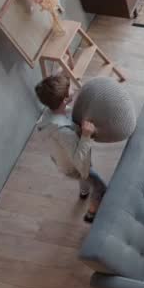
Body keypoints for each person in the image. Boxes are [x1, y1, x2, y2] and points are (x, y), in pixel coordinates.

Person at [35, 75, 106, 223]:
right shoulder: (64, 132)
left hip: (63, 161)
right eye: (70, 88)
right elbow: (79, 159)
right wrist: (86, 135)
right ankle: (91, 214)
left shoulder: (49, 114)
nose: (73, 88)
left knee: (84, 176)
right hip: (74, 165)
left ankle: (84, 192)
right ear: (65, 99)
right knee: (100, 186)